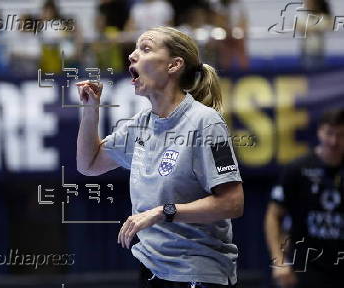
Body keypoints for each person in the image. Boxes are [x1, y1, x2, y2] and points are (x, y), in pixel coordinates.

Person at [76, 26, 244, 288]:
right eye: (134, 49)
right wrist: (90, 111)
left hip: (197, 273)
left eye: (145, 48)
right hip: (152, 269)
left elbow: (233, 203)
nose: (132, 55)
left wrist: (163, 212)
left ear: (174, 65)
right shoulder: (140, 125)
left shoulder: (206, 123)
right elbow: (89, 164)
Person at [264, 109, 344, 288]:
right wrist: (279, 261)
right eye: (329, 133)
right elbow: (273, 215)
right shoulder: (298, 169)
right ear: (319, 132)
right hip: (307, 267)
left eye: (340, 135)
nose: (334, 141)